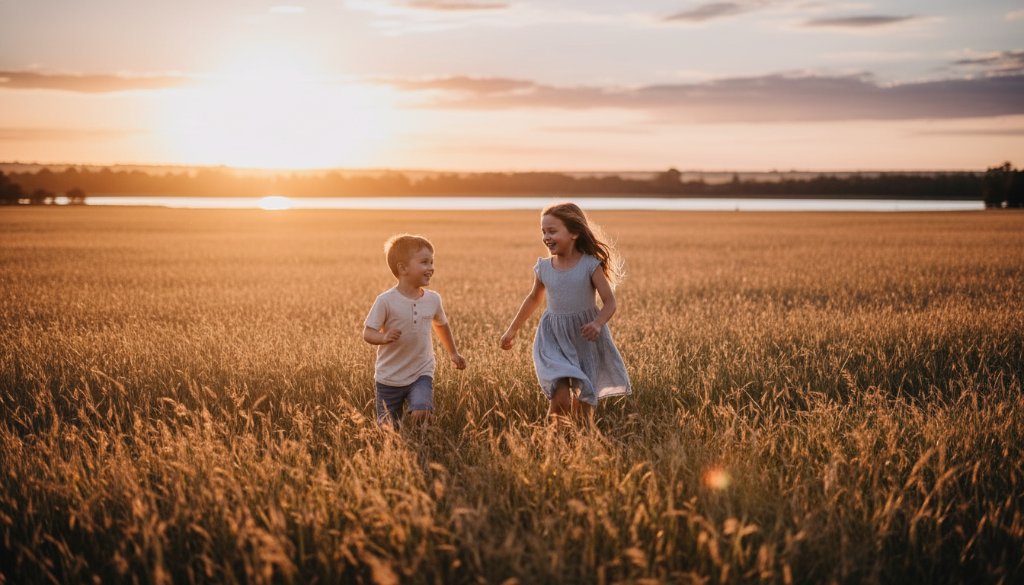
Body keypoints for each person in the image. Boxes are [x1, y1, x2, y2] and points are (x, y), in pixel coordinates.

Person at [499, 202, 630, 422]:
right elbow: (533, 298)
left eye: (552, 230)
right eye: (543, 231)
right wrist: (512, 330)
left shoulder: (590, 265)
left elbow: (609, 302)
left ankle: (581, 446)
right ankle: (553, 445)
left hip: (584, 338)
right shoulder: (544, 268)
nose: (546, 237)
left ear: (574, 232)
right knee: (559, 399)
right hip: (553, 338)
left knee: (583, 405)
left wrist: (597, 323)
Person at [363, 234, 466, 428]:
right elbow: (368, 333)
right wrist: (383, 337)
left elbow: (441, 324)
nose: (431, 268)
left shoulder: (433, 299)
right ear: (403, 268)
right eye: (424, 262)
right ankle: (397, 452)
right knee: (386, 428)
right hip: (389, 377)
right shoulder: (385, 301)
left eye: (432, 262)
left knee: (422, 410)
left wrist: (453, 353)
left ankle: (422, 446)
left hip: (421, 372)